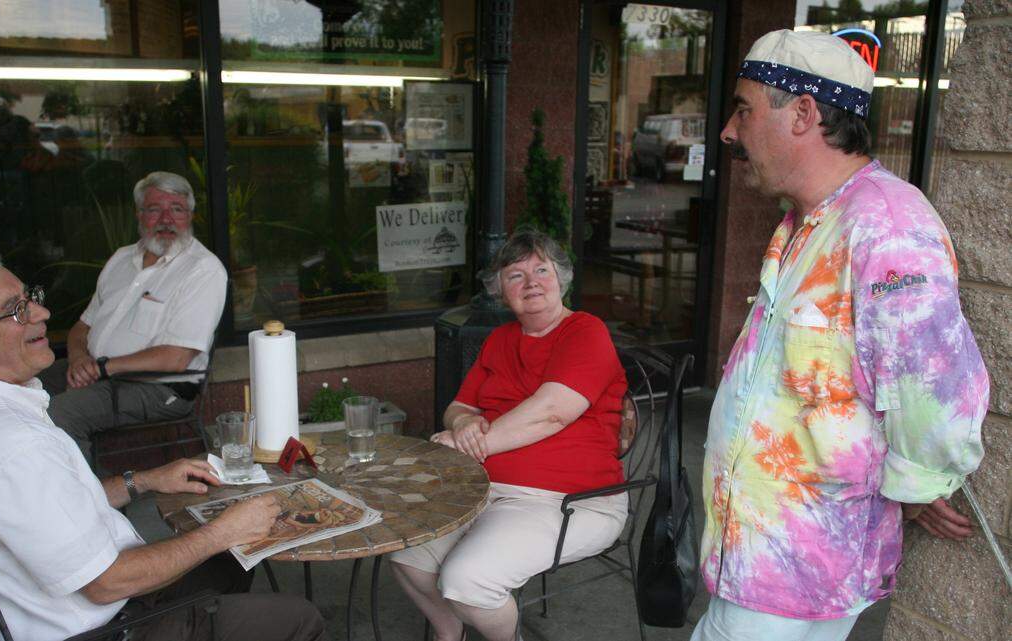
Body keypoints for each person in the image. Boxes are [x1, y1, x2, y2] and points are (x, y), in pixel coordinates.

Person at [697, 29, 989, 640]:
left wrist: (920, 483)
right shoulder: (809, 221)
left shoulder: (886, 224)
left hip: (797, 566)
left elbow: (938, 394)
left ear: (803, 113)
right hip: (767, 555)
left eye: (744, 109)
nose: (729, 131)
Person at [0, 250, 324, 641]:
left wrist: (144, 480)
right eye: (14, 310)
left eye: (29, 298)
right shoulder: (11, 446)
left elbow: (45, 511)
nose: (42, 313)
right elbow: (106, 584)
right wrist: (221, 531)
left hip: (97, 604)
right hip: (113, 626)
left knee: (231, 558)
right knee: (300, 616)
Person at [389, 230, 629, 641]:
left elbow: (552, 413)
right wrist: (463, 425)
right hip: (484, 490)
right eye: (515, 275)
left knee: (467, 582)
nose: (531, 281)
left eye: (541, 270)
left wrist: (466, 442)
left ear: (562, 279)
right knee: (407, 557)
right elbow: (460, 406)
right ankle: (451, 633)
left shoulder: (584, 331)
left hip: (571, 501)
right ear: (500, 291)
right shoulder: (500, 339)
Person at [39, 170, 226, 461]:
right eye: (154, 209)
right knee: (22, 387)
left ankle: (85, 502)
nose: (166, 219)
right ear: (139, 215)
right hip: (99, 371)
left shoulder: (203, 270)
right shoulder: (121, 259)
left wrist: (101, 368)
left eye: (176, 209)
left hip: (158, 387)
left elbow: (174, 359)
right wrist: (78, 360)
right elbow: (81, 327)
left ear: (190, 216)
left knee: (60, 413)